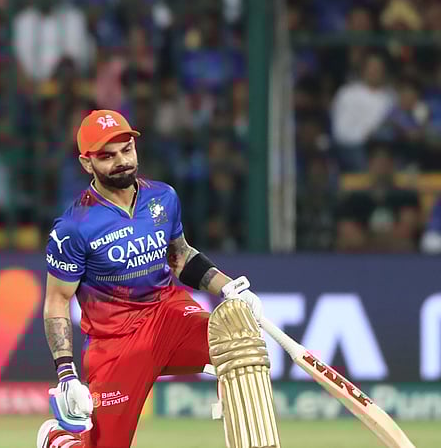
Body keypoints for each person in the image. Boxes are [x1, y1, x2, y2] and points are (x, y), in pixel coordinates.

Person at [37, 110, 270, 448]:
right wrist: (66, 374)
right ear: (87, 163)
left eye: (126, 150)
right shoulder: (74, 227)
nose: (122, 161)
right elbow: (57, 300)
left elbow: (179, 256)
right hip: (116, 342)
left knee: (239, 341)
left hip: (169, 316)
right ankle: (59, 440)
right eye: (107, 156)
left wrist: (229, 287)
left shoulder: (163, 197)